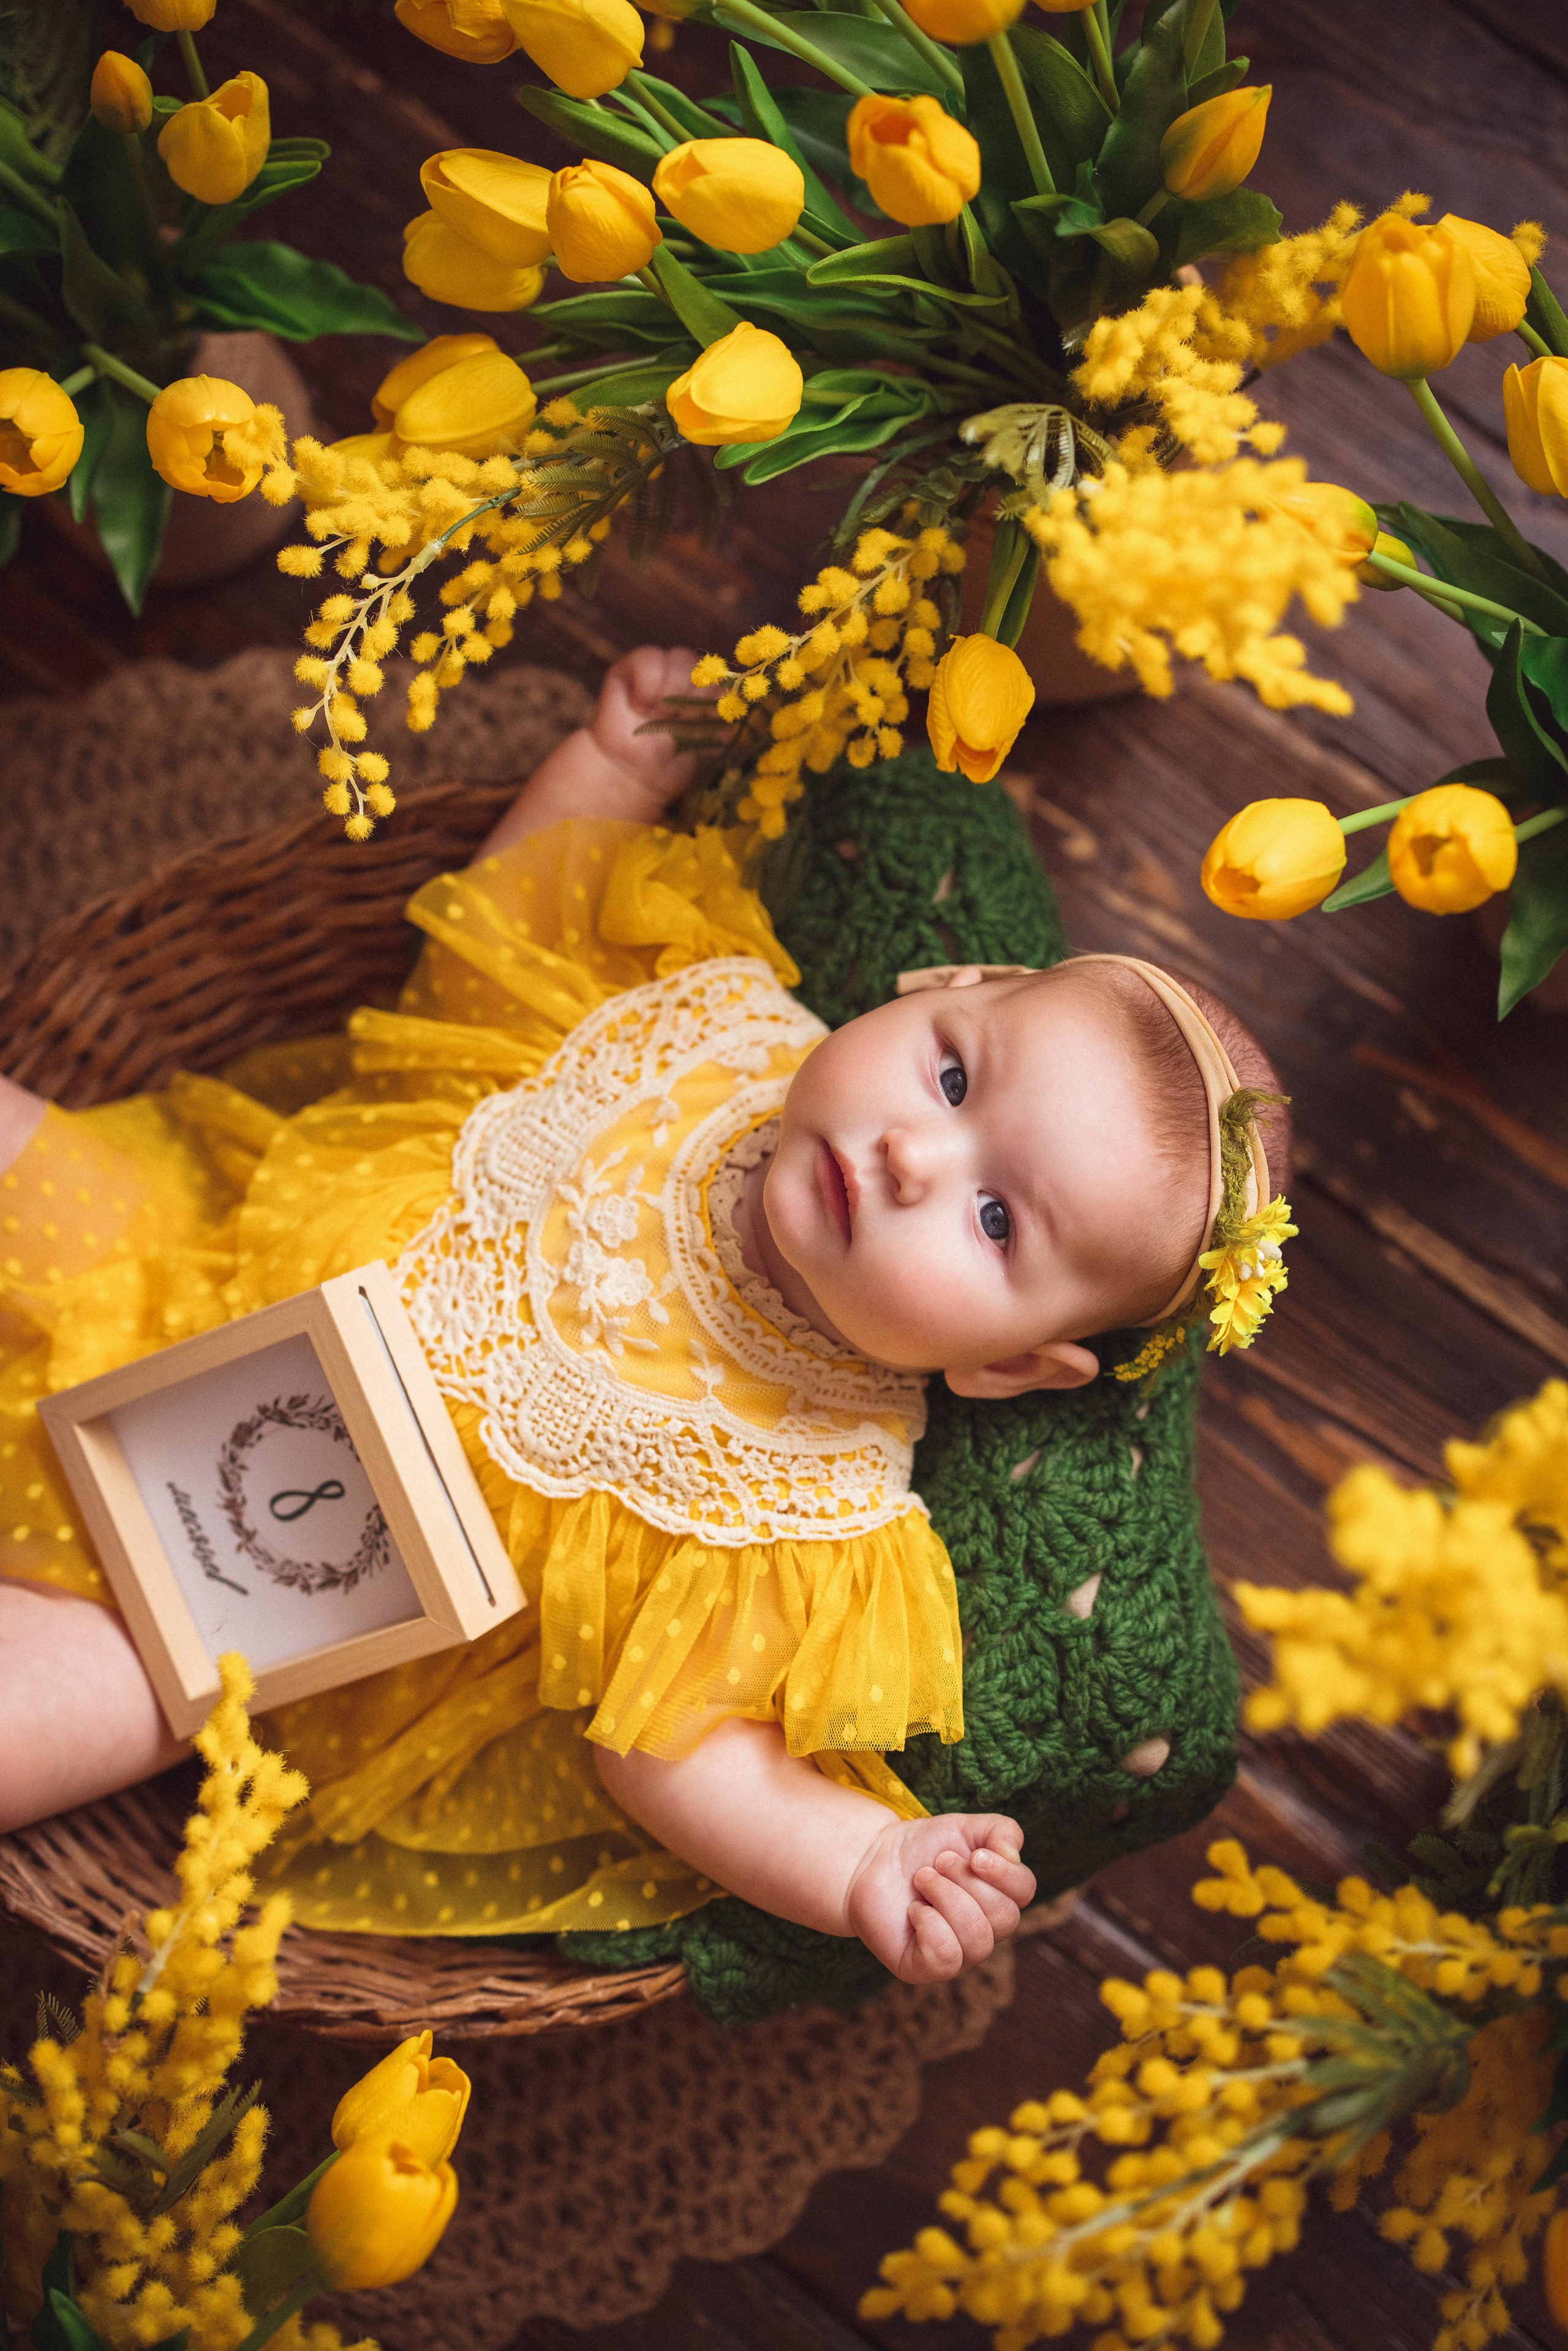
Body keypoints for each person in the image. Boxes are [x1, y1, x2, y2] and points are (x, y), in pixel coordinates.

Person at [0, 646, 1289, 1985]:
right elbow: (501, 936)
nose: (918, 1154)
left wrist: (856, 1860)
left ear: (1012, 1361)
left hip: (218, 1604)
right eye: (954, 1072)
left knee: (69, 1707)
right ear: (927, 993)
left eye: (995, 1220)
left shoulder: (799, 1500)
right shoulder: (700, 1017)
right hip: (176, 1247)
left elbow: (678, 1744)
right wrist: (607, 773)